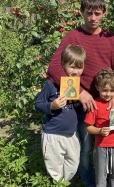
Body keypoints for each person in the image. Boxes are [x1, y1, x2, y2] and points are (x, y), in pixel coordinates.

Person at [47, 0, 114, 187]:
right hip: (83, 105)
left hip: (106, 102)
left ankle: (108, 179)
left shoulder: (109, 37)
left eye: (97, 13)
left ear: (104, 13)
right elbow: (54, 68)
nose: (93, 18)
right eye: (89, 13)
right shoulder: (74, 36)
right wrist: (80, 91)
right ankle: (89, 180)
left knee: (108, 144)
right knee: (85, 147)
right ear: (81, 12)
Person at [35, 45, 86, 182]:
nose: (75, 71)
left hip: (72, 134)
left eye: (79, 67)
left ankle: (64, 182)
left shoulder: (80, 86)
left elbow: (79, 110)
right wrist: (52, 105)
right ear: (63, 64)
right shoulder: (51, 85)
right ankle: (58, 183)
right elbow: (38, 104)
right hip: (53, 134)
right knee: (54, 166)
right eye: (72, 67)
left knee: (73, 163)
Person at [84, 68, 114, 187]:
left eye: (112, 90)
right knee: (100, 173)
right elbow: (88, 127)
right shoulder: (95, 104)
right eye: (104, 90)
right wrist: (99, 130)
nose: (108, 94)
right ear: (97, 87)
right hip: (101, 146)